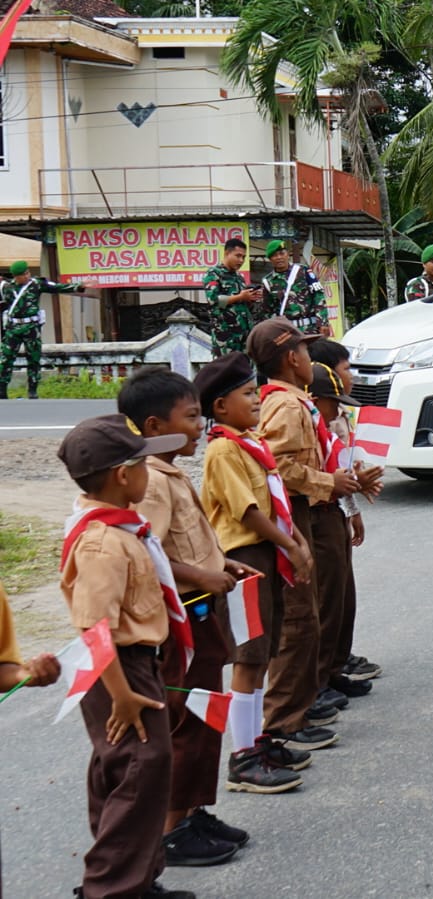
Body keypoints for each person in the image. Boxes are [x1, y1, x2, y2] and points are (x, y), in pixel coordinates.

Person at [119, 369, 266, 866]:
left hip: (202, 610)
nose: (200, 424)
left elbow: (186, 541)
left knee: (205, 718)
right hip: (184, 616)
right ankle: (172, 829)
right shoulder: (152, 481)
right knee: (188, 721)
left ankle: (192, 810)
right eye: (191, 416)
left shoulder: (170, 470)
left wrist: (220, 562)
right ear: (155, 423)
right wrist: (201, 577)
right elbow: (149, 554)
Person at [56, 414, 192, 899]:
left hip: (131, 661)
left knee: (125, 768)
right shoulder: (103, 542)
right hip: (116, 670)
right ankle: (110, 889)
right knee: (140, 766)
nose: (149, 473)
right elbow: (94, 629)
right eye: (143, 464)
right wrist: (123, 697)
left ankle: (137, 878)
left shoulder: (122, 528)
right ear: (122, 475)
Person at [195, 352, 312, 793]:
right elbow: (247, 512)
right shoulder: (224, 450)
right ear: (221, 407)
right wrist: (293, 546)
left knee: (262, 654)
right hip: (246, 559)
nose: (257, 400)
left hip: (265, 555)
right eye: (247, 394)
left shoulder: (251, 443)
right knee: (249, 656)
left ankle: (257, 740)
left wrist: (292, 542)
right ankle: (243, 756)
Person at [250, 317, 364, 752]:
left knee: (312, 614)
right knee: (298, 620)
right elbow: (276, 466)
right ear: (291, 359)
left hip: (307, 509)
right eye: (302, 349)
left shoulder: (297, 402)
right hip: (295, 511)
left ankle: (298, 707)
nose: (307, 356)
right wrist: (326, 483)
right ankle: (283, 720)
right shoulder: (287, 405)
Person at [305, 363, 381, 717]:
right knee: (322, 605)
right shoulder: (299, 418)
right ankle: (316, 682)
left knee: (341, 601)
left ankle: (332, 671)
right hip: (314, 514)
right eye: (332, 400)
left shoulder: (325, 422)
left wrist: (353, 504)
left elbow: (341, 465)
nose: (338, 408)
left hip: (333, 510)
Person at [1, 260, 86, 399]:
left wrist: (78, 287)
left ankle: (33, 390)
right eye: (24, 274)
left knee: (33, 359)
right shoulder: (6, 287)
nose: (28, 275)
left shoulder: (36, 284)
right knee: (6, 359)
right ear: (16, 276)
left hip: (31, 327)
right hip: (13, 328)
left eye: (28, 272)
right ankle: (2, 390)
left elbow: (57, 287)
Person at [204, 238, 263, 355]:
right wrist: (240, 297)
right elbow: (214, 300)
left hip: (244, 334)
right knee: (227, 370)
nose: (241, 260)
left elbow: (242, 304)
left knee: (247, 370)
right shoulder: (214, 273)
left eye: (244, 257)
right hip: (226, 336)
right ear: (227, 253)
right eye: (238, 256)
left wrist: (250, 298)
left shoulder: (239, 277)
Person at [261, 240, 330, 336]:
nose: (279, 257)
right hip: (287, 332)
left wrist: (323, 323)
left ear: (288, 254)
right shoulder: (268, 281)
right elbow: (267, 310)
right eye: (274, 255)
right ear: (270, 259)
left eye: (282, 253)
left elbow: (319, 297)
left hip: (310, 329)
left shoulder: (303, 271)